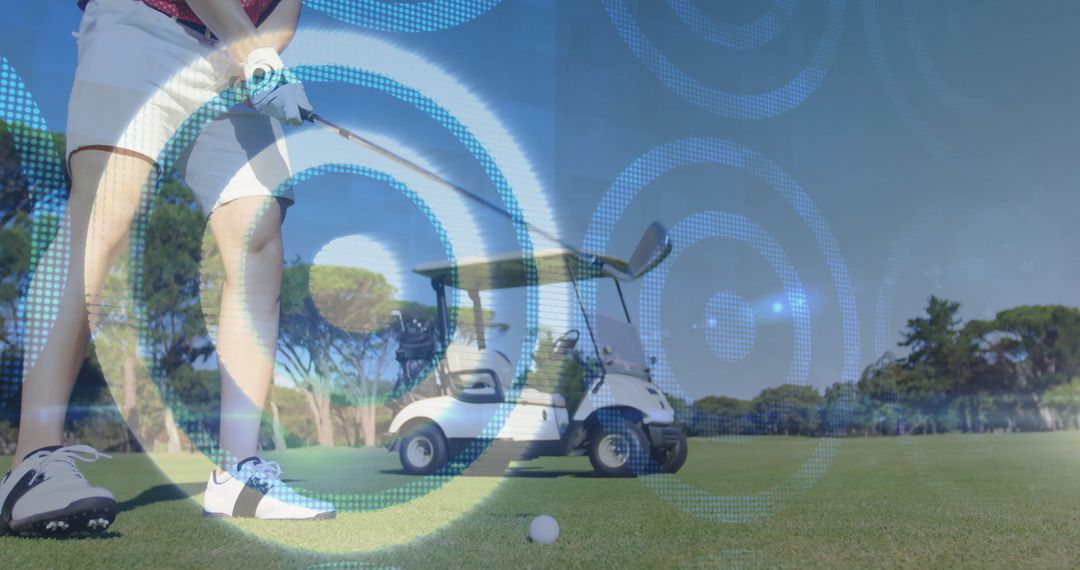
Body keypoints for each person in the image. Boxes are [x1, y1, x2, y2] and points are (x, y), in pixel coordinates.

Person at [0, 0, 336, 537]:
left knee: (259, 236)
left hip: (232, 57)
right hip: (140, 23)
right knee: (107, 211)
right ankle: (33, 462)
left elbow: (285, 10)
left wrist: (261, 55)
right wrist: (255, 53)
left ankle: (239, 473)